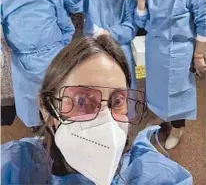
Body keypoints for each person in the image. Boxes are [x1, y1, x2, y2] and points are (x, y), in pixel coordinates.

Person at [1, 36, 193, 185]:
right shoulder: (15, 167)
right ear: (48, 109)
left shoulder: (153, 174)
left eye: (117, 101)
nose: (105, 122)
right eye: (82, 100)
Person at [133, 0, 206, 149]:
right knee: (156, 88)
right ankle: (162, 117)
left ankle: (177, 128)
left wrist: (199, 55)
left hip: (180, 52)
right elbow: (144, 23)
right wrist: (141, 1)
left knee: (177, 91)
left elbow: (204, 21)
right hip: (156, 49)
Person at [1, 0, 75, 131]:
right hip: (23, 62)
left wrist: (63, 48)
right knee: (33, 105)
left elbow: (64, 21)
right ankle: (39, 135)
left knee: (58, 101)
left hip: (54, 55)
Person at [64, 0, 137, 90]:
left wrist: (109, 33)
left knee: (122, 94)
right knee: (96, 92)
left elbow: (130, 27)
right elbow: (72, 5)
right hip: (94, 50)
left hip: (120, 52)